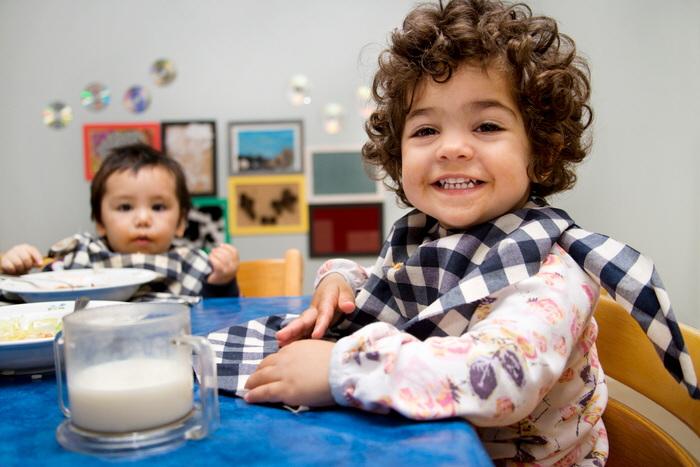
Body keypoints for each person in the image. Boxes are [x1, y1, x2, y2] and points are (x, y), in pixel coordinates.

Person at [208, 0, 698, 464]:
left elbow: (500, 378)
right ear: (398, 156)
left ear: (540, 148)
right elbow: (381, 282)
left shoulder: (555, 271)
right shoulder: (427, 237)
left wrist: (340, 368)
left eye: (486, 126)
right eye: (425, 131)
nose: (452, 148)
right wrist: (336, 281)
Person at [1, 143, 240, 301]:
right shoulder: (82, 256)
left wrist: (222, 283)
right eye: (125, 207)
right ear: (101, 222)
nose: (143, 219)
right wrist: (15, 269)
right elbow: (27, 297)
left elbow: (222, 320)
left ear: (181, 222)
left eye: (158, 207)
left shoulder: (192, 264)